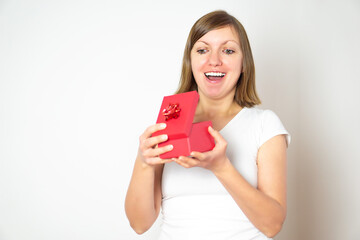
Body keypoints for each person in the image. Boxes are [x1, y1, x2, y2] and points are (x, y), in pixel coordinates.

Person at [125, 10, 290, 240]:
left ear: (244, 64)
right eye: (202, 50)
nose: (214, 60)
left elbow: (272, 225)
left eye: (228, 50)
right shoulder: (167, 125)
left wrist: (222, 167)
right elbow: (139, 224)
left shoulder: (265, 124)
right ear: (190, 62)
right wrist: (143, 162)